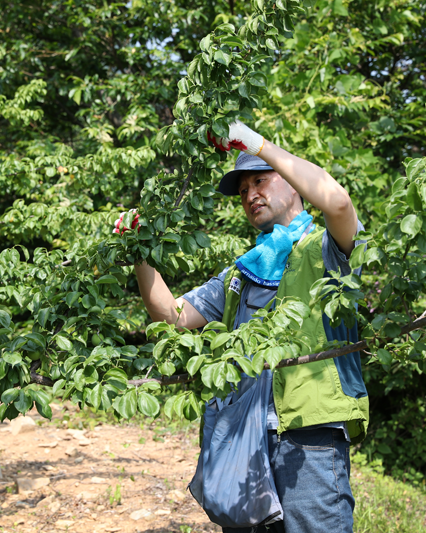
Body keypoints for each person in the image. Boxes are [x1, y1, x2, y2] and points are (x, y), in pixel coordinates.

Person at [116, 120, 368, 533]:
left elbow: (338, 204)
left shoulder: (327, 250)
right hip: (244, 437)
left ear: (290, 180)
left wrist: (258, 144)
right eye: (243, 189)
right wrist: (140, 251)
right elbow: (172, 317)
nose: (251, 194)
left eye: (261, 180)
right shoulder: (242, 271)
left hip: (309, 435)